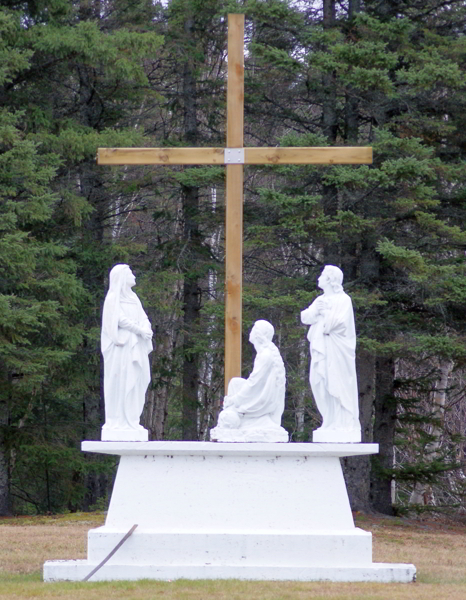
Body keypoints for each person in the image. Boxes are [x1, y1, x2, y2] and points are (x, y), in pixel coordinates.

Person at [301, 265, 361, 441]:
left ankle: (342, 422)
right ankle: (329, 420)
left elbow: (338, 323)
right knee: (319, 381)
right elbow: (305, 317)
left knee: (336, 381)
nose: (318, 278)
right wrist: (317, 310)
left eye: (322, 275)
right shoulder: (321, 299)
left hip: (337, 350)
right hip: (321, 349)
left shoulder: (343, 300)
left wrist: (324, 313)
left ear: (330, 279)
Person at [210, 320, 288, 442]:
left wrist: (235, 399)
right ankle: (233, 417)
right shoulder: (266, 353)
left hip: (262, 400)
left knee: (235, 386)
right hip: (260, 394)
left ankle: (233, 417)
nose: (250, 331)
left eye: (253, 329)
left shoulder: (265, 355)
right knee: (235, 383)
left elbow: (254, 384)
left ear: (258, 334)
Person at [101, 264, 153, 439]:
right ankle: (119, 421)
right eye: (130, 273)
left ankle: (132, 419)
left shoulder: (134, 298)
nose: (134, 276)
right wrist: (139, 330)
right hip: (123, 348)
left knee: (139, 379)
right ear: (122, 277)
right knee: (123, 381)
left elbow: (143, 316)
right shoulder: (113, 298)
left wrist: (146, 327)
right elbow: (119, 319)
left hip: (136, 345)